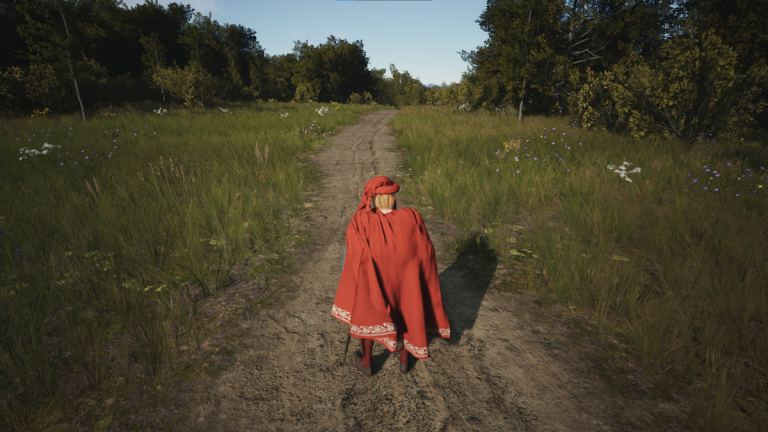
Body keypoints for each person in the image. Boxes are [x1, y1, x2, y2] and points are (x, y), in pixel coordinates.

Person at [331, 175, 451, 375]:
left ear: (372, 198)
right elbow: (426, 251)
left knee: (366, 314)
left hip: (373, 279)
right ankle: (404, 360)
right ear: (394, 196)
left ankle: (368, 361)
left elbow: (352, 254)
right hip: (406, 280)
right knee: (406, 310)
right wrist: (421, 276)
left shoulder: (361, 220)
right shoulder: (412, 217)